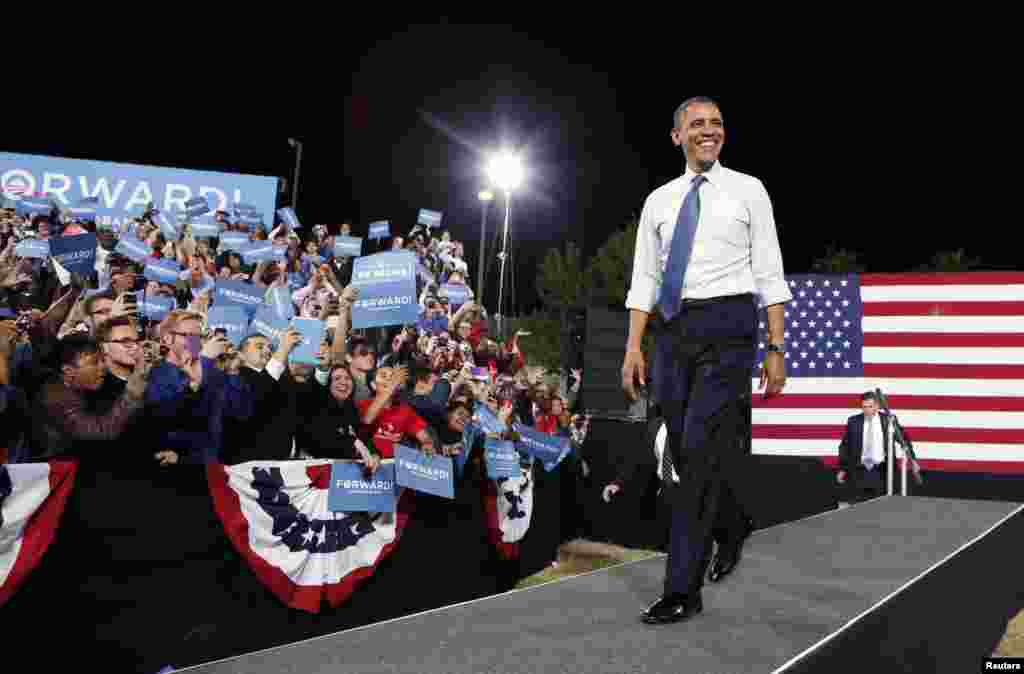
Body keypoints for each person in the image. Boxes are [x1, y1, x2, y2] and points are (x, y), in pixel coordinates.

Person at [621, 96, 791, 625]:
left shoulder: (749, 191)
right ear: (677, 136)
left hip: (730, 328)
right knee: (687, 458)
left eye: (716, 123)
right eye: (697, 124)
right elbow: (645, 278)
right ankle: (732, 523)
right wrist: (633, 346)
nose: (708, 131)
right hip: (673, 335)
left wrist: (777, 347)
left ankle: (681, 591)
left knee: (696, 447)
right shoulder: (658, 201)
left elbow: (769, 271)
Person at [836, 391, 918, 503]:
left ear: (877, 406)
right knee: (857, 507)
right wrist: (842, 468)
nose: (867, 410)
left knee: (882, 506)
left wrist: (913, 459)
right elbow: (845, 446)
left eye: (870, 406)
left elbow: (904, 440)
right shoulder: (853, 421)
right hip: (859, 471)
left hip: (882, 471)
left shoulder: (888, 420)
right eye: (864, 407)